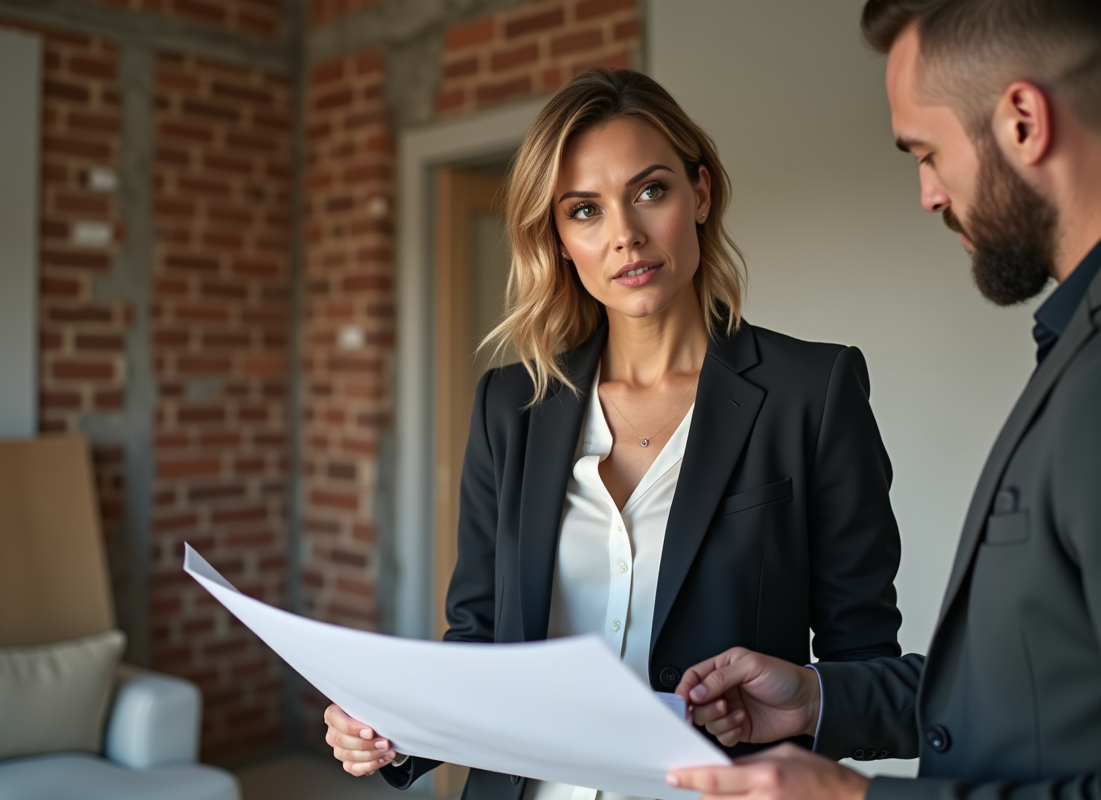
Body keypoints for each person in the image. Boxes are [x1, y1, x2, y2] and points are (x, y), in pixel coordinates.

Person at [324, 68, 904, 800]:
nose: (625, 235)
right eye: (585, 211)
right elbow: (479, 642)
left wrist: (812, 707)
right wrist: (392, 733)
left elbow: (870, 667)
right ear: (560, 239)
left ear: (701, 193)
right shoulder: (511, 405)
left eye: (651, 191)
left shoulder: (811, 393)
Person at [666, 1, 1101, 799]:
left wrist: (855, 798)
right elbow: (1029, 687)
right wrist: (818, 696)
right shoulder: (1070, 347)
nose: (928, 194)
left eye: (927, 153)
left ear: (1024, 122)